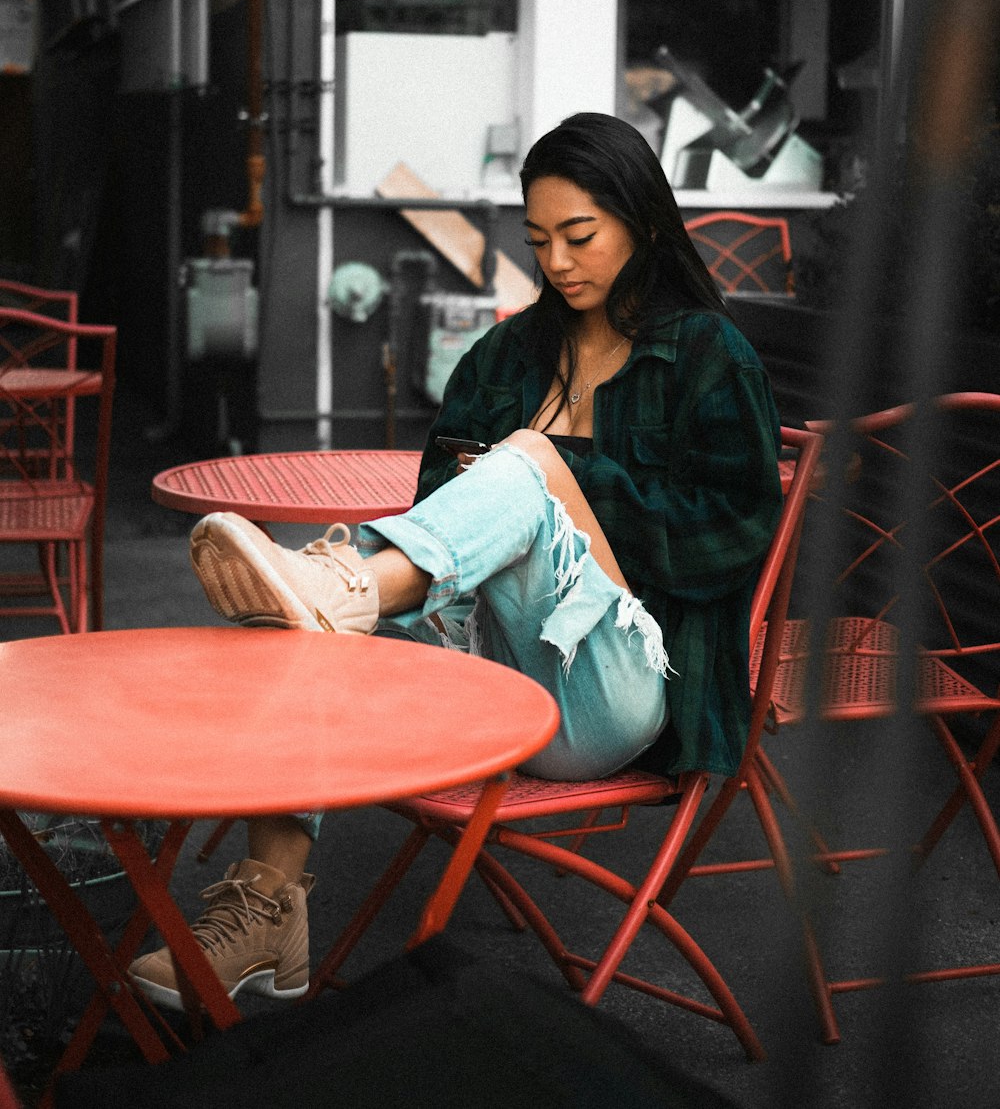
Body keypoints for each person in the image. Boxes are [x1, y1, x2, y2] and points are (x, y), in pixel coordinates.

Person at [128, 111, 783, 1012]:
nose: (556, 261)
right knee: (316, 634)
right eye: (539, 238)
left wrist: (564, 488)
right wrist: (522, 494)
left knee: (527, 465)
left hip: (621, 694)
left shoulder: (709, 355)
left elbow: (734, 533)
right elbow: (443, 503)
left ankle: (345, 586)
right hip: (486, 675)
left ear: (645, 221)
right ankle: (268, 906)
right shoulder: (510, 353)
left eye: (580, 236)